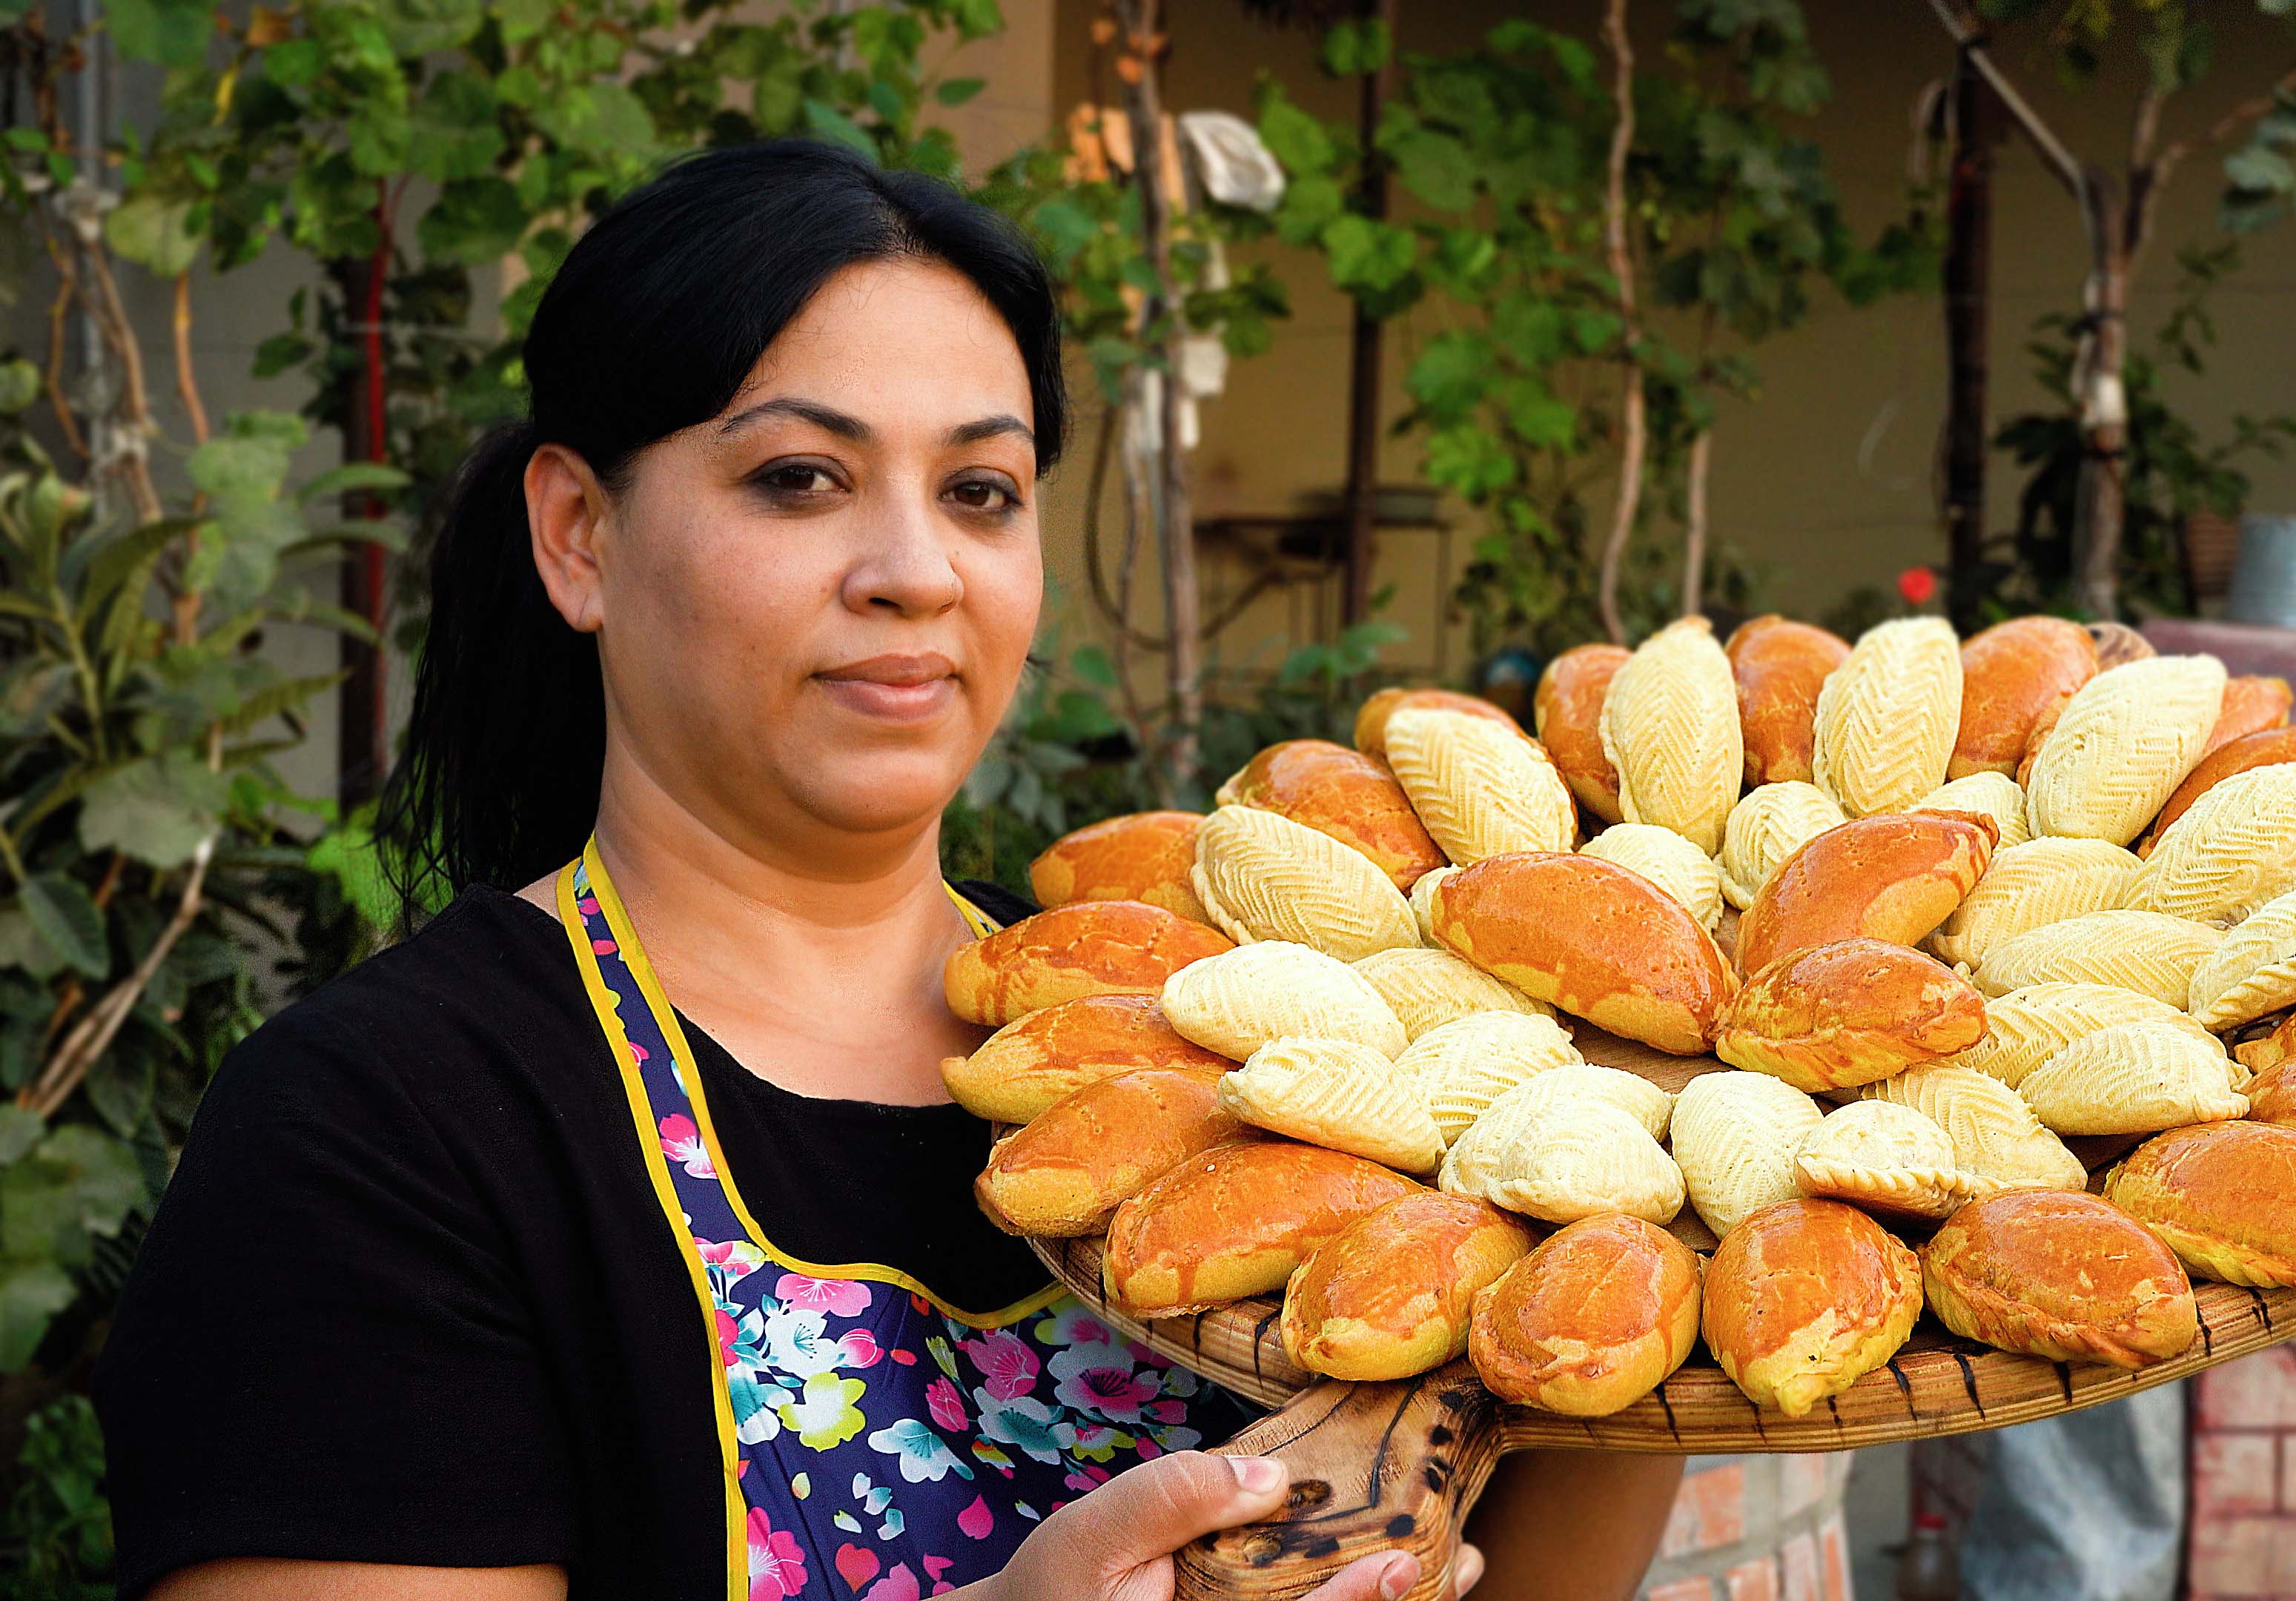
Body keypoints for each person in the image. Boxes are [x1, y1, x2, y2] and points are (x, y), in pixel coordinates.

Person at [91, 139, 1685, 1600]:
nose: (917, 573)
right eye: (801, 479)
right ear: (579, 533)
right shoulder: (380, 1128)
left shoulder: (1253, 1057)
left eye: (980, 493)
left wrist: (1673, 1280)